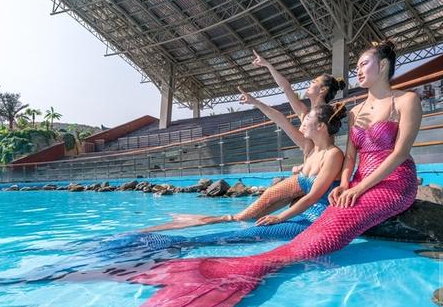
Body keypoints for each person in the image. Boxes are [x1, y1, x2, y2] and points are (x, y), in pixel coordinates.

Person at [0, 40, 422, 307]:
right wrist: (347, 185)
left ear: (382, 65)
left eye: (363, 63)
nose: (358, 70)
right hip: (354, 187)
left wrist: (354, 187)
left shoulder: (405, 101)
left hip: (390, 186)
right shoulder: (359, 110)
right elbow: (349, 156)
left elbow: (398, 154)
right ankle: (190, 255)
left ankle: (213, 277)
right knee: (261, 229)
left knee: (294, 250)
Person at [141, 70, 346, 233]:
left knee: (253, 214)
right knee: (255, 210)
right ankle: (217, 220)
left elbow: (285, 105)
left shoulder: (325, 119)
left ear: (323, 90)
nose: (309, 83)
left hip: (313, 179)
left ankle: (215, 221)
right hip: (305, 176)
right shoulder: (307, 114)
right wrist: (262, 79)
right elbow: (282, 105)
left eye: (314, 82)